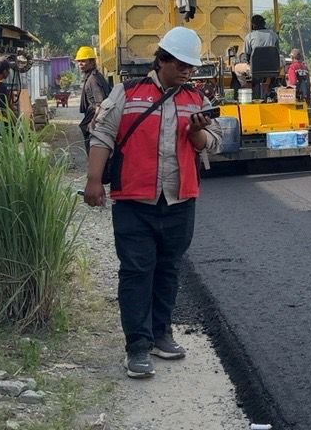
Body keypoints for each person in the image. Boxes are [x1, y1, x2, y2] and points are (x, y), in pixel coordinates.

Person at [84, 26, 221, 380]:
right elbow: (102, 135)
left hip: (179, 201)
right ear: (162, 60)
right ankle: (137, 347)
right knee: (136, 272)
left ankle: (162, 334)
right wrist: (94, 181)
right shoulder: (127, 93)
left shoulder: (197, 99)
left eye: (191, 66)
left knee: (168, 269)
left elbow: (214, 143)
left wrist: (197, 132)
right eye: (181, 65)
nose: (187, 71)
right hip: (134, 201)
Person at [75, 45, 113, 146]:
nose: (80, 64)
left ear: (92, 62)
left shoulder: (93, 79)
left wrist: (93, 122)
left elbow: (99, 104)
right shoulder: (94, 76)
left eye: (83, 61)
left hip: (94, 115)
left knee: (92, 143)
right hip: (94, 115)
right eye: (79, 61)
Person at [231, 14, 280, 84]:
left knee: (236, 68)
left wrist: (246, 62)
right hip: (272, 68)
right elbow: (277, 53)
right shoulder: (273, 35)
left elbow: (247, 56)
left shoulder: (249, 36)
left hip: (255, 69)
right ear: (264, 23)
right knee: (282, 60)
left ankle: (245, 86)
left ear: (253, 25)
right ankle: (270, 83)